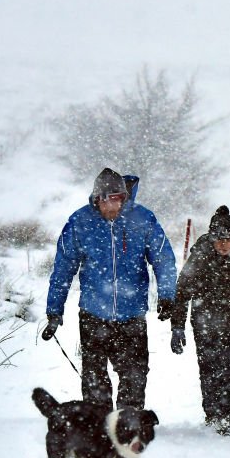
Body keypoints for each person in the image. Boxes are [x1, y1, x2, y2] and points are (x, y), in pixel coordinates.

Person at [42, 167, 177, 409]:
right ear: (96, 200)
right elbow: (63, 267)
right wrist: (54, 310)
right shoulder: (80, 222)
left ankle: (128, 422)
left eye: (115, 199)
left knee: (134, 375)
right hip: (93, 314)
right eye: (104, 200)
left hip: (132, 314)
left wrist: (167, 295)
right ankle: (99, 424)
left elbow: (163, 258)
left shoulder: (143, 219)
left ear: (123, 198)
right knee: (94, 378)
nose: (110, 206)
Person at [171, 206, 230, 436]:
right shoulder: (199, 259)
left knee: (228, 370)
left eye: (228, 239)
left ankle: (226, 418)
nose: (223, 244)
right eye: (219, 239)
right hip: (203, 325)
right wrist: (177, 326)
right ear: (212, 238)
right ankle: (212, 414)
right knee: (208, 370)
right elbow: (182, 292)